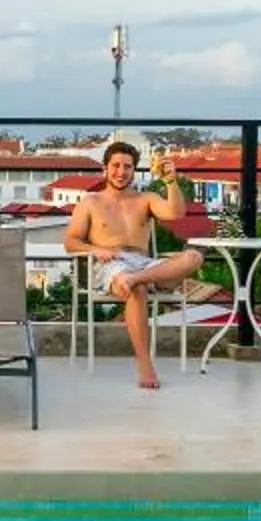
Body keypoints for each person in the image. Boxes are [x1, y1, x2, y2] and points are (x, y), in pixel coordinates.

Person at [61, 140, 206, 390]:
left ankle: (138, 279)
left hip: (145, 263)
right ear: (105, 169)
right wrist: (95, 249)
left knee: (194, 256)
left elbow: (175, 213)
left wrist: (171, 181)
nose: (121, 171)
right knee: (136, 289)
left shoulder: (146, 198)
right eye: (115, 165)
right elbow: (71, 242)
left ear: (134, 170)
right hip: (112, 263)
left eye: (127, 166)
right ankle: (145, 365)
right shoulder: (90, 202)